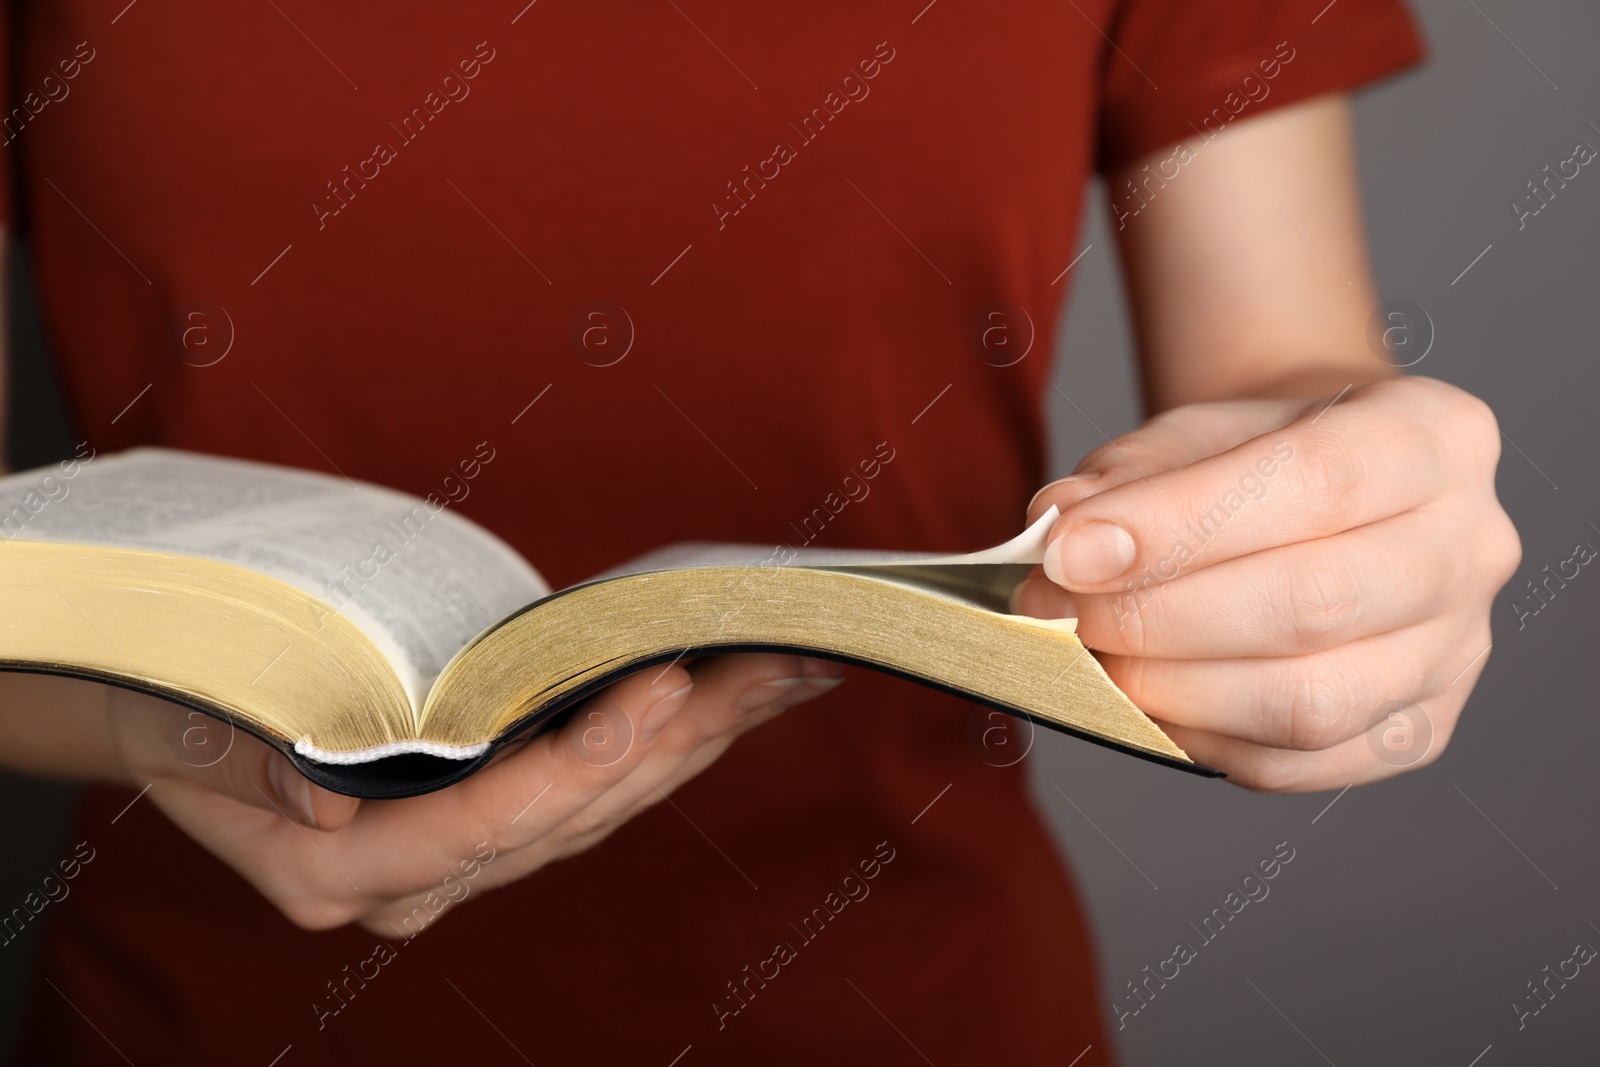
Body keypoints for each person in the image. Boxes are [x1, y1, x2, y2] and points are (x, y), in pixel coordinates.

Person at [0, 1, 1518, 1063]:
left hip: (915, 1004)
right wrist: (182, 730)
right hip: (186, 1017)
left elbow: (1281, 385)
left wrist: (1341, 526)